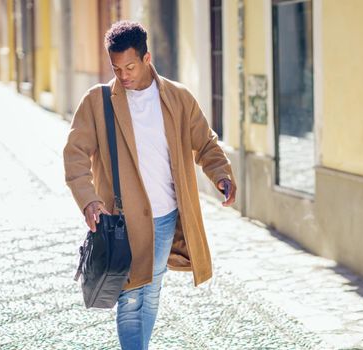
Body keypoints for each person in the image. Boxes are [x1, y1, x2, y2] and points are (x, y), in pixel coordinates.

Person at [63, 21, 236, 349]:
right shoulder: (97, 102)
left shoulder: (178, 98)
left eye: (129, 66)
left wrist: (221, 175)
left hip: (165, 217)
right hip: (122, 220)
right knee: (130, 298)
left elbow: (206, 143)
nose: (123, 75)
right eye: (116, 68)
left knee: (150, 290)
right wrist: (88, 199)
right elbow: (75, 154)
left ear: (147, 58)